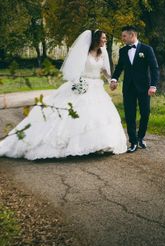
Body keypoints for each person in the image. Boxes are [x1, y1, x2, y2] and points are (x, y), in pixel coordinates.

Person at [0, 30, 128, 160]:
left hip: (97, 88)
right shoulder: (84, 52)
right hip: (82, 85)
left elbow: (105, 70)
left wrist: (111, 80)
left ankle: (101, 144)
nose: (105, 40)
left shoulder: (103, 52)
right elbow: (74, 69)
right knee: (76, 115)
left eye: (105, 38)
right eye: (103, 38)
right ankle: (72, 145)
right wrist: (77, 83)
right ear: (96, 39)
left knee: (98, 117)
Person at [110, 25, 159, 153]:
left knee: (145, 113)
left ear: (132, 35)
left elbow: (154, 68)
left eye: (124, 36)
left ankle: (140, 137)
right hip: (128, 87)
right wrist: (114, 79)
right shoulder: (122, 51)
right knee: (130, 115)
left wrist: (153, 86)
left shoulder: (147, 49)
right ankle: (133, 142)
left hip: (144, 88)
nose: (122, 39)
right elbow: (120, 67)